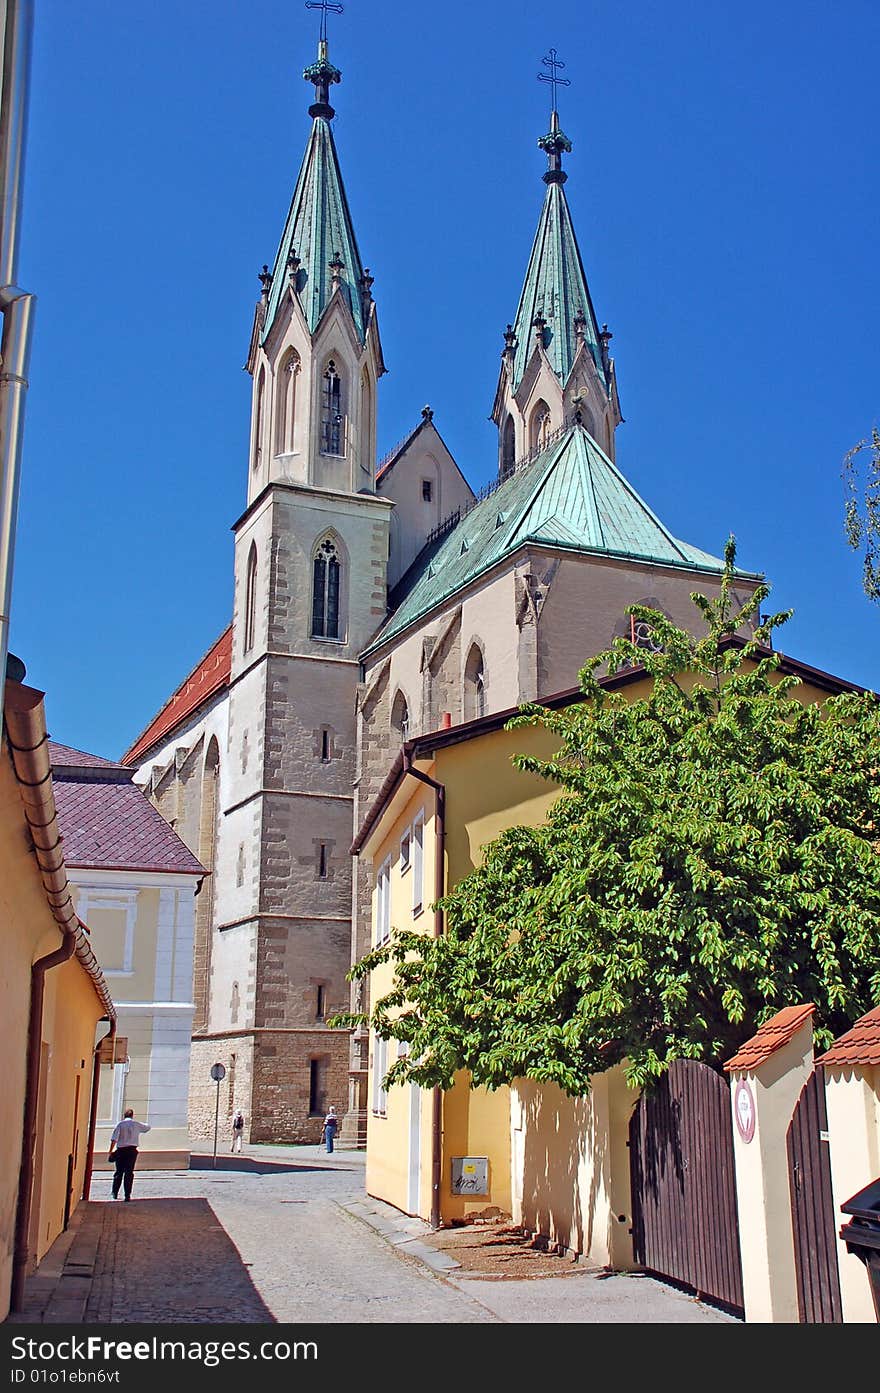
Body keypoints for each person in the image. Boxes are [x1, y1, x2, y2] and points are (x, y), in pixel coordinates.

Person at [108, 1108, 151, 1201]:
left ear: (124, 1115)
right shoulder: (136, 1124)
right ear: (132, 1115)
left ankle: (114, 1192)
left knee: (118, 1172)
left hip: (121, 1150)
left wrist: (110, 1151)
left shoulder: (120, 1124)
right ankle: (127, 1195)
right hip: (132, 1151)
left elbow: (114, 1139)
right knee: (129, 1172)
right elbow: (147, 1127)